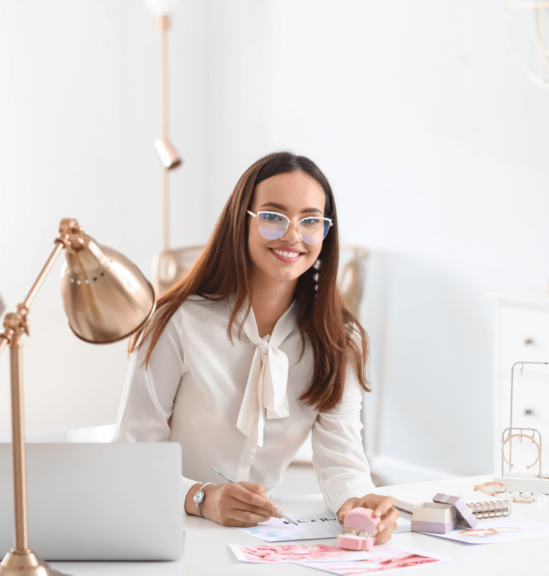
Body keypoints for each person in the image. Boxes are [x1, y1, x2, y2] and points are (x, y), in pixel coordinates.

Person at [115, 151, 398, 545]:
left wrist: (357, 504)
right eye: (272, 216)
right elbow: (132, 454)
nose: (293, 235)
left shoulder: (338, 340)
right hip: (165, 527)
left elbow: (341, 459)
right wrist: (201, 499)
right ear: (241, 221)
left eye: (310, 220)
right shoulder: (178, 321)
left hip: (257, 541)